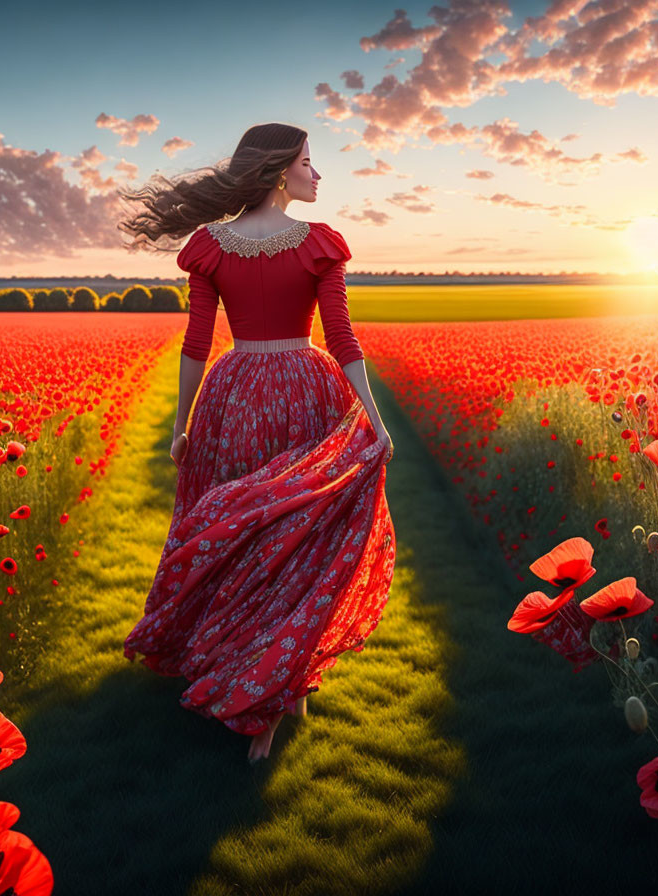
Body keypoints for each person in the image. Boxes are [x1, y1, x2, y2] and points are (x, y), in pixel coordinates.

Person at [117, 122, 396, 764]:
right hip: (307, 390)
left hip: (234, 395)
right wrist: (374, 426)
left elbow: (196, 345)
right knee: (296, 543)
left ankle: (270, 680)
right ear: (278, 172)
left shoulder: (210, 246)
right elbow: (343, 343)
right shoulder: (319, 245)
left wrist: (184, 425)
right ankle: (270, 690)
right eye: (307, 161)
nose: (317, 173)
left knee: (249, 544)